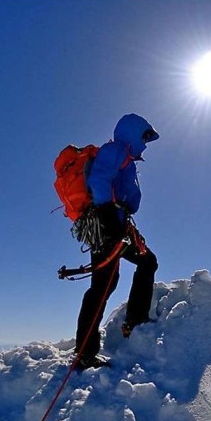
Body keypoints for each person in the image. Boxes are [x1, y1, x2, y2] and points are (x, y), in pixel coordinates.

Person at [74, 113, 160, 370]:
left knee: (146, 262)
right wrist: (107, 215)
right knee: (103, 286)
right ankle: (85, 353)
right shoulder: (115, 151)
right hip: (106, 226)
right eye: (144, 137)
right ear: (132, 134)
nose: (146, 144)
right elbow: (98, 180)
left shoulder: (126, 159)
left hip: (118, 224)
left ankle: (135, 320)